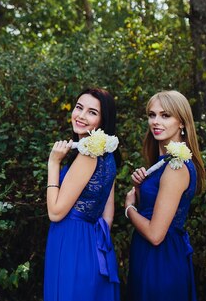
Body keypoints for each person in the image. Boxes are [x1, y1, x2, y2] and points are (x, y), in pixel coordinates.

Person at [125, 90, 205, 301]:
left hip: (160, 261)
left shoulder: (176, 166)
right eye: (152, 115)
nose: (156, 121)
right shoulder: (165, 162)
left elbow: (155, 234)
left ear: (182, 122)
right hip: (148, 257)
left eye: (165, 115)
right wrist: (141, 188)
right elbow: (154, 210)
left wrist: (129, 208)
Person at [44, 87, 121, 301]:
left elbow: (56, 212)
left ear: (102, 121)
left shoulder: (88, 156)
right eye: (79, 108)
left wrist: (53, 163)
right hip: (94, 243)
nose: (81, 116)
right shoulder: (108, 154)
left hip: (71, 241)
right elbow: (108, 216)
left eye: (92, 112)